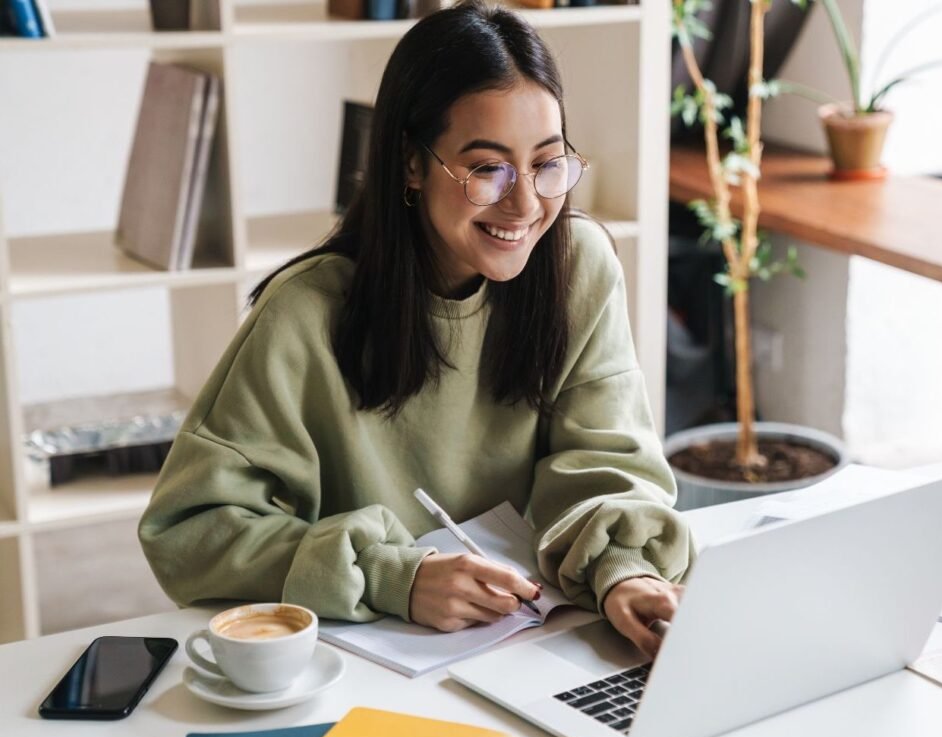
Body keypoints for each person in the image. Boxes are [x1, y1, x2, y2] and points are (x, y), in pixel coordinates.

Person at [139, 0, 696, 658]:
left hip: (539, 646)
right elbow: (189, 532)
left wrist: (623, 569)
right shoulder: (305, 313)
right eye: (488, 169)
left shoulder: (580, 269)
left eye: (548, 163)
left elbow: (606, 466)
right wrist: (392, 576)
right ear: (411, 163)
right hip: (365, 664)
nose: (526, 204)